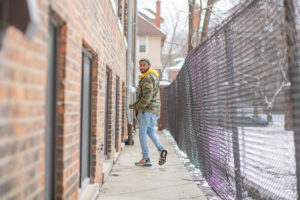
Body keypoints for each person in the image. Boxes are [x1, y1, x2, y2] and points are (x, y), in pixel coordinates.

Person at [130, 58, 167, 166]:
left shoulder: (147, 78)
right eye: (140, 65)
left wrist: (137, 107)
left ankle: (145, 158)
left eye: (144, 65)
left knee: (142, 132)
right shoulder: (153, 76)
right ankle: (161, 149)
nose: (141, 67)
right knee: (150, 131)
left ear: (149, 66)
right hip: (155, 110)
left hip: (147, 110)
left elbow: (147, 96)